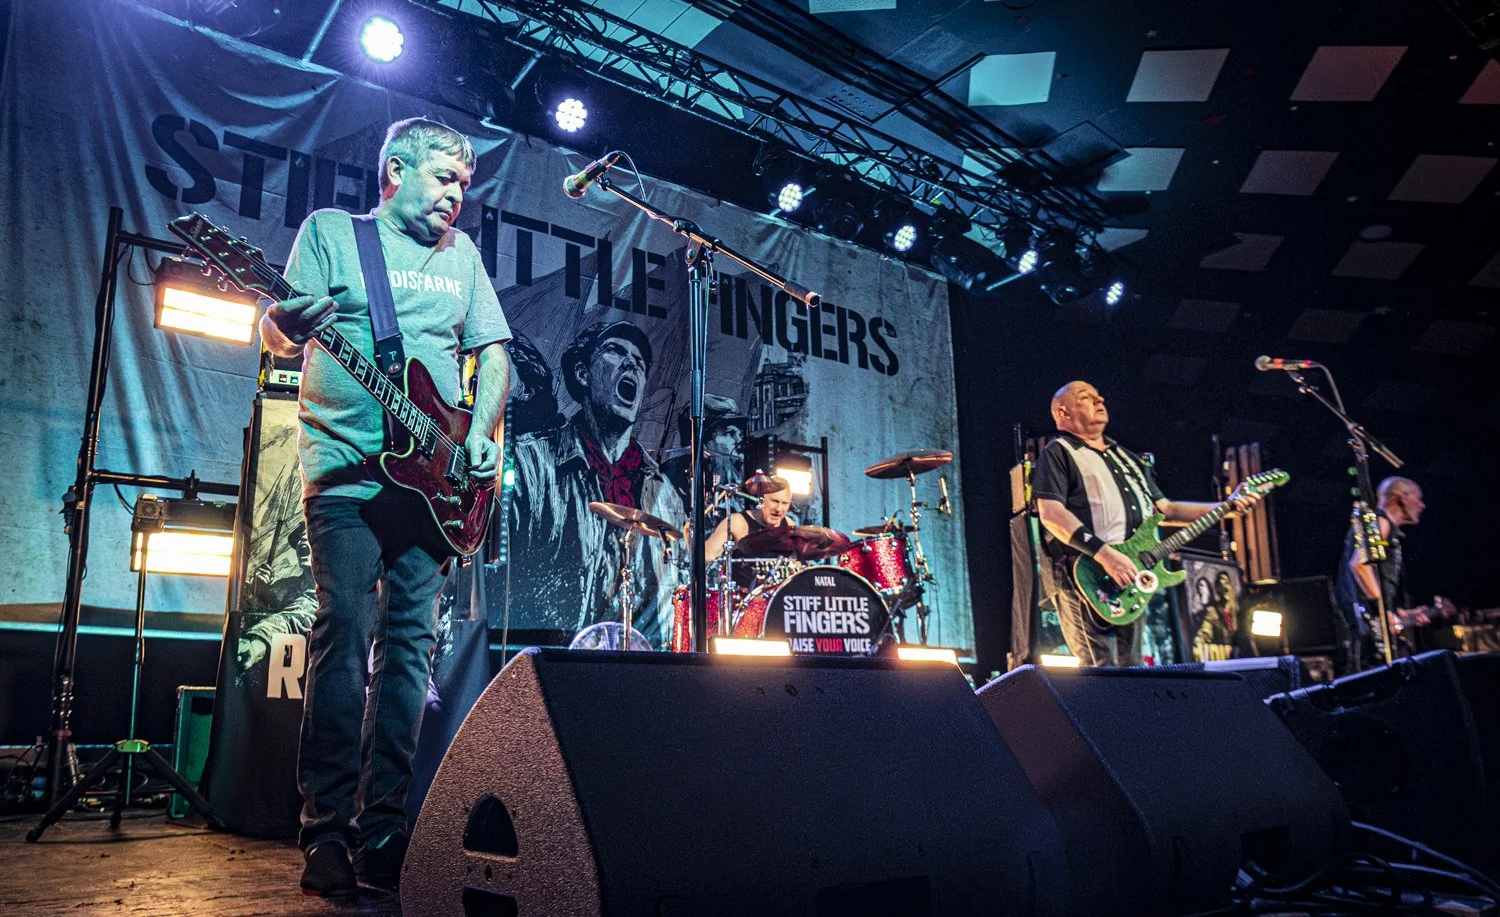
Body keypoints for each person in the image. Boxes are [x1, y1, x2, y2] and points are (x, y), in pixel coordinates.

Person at [260, 118, 512, 896]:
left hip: (437, 486)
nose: (455, 196)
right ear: (395, 170)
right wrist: (279, 323)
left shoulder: (461, 258)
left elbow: (493, 351)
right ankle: (324, 831)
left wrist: (483, 429)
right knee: (345, 636)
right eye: (443, 178)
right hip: (345, 473)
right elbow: (276, 333)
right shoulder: (335, 234)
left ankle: (384, 829)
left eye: (465, 185)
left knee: (408, 655)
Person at [1033, 381, 1260, 666]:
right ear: (1063, 413)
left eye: (1098, 395)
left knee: (1132, 672)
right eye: (1086, 397)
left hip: (1129, 576)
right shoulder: (1059, 452)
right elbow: (1052, 514)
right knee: (1100, 672)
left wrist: (1228, 507)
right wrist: (1106, 555)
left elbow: (1166, 509)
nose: (1099, 399)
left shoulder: (1126, 458)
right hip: (1085, 574)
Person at [507, 320, 685, 647]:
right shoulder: (532, 463)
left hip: (638, 673)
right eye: (616, 350)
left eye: (641, 362)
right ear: (583, 374)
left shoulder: (665, 495)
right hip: (550, 665)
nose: (632, 362)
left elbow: (677, 590)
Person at [1335, 476, 1439, 669]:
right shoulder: (1379, 521)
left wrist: (1401, 612)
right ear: (1402, 495)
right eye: (1418, 498)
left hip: (1369, 624)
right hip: (1366, 631)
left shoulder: (1383, 527)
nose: (1422, 505)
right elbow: (1359, 565)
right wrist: (1384, 611)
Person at [704, 474, 794, 589]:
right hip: (743, 601)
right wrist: (688, 534)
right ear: (761, 499)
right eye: (774, 501)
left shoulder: (789, 524)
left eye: (785, 503)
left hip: (778, 599)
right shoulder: (738, 522)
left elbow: (793, 563)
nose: (779, 509)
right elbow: (707, 555)